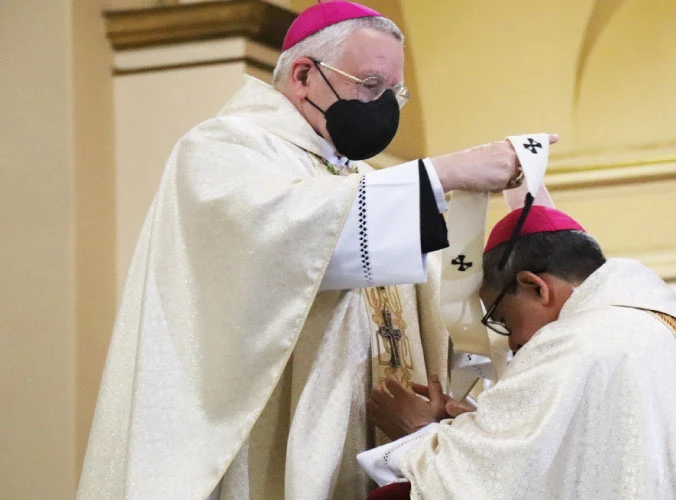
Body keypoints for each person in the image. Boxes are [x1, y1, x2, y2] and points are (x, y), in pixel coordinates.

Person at [76, 2, 548, 499]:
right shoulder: (225, 149)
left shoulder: (365, 180)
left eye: (395, 93)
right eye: (370, 85)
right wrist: (445, 173)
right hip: (282, 450)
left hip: (387, 444)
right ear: (304, 75)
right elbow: (287, 238)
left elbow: (431, 293)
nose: (384, 104)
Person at [360, 205, 676, 499]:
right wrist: (464, 427)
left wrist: (418, 435)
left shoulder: (578, 341)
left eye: (502, 317)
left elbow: (497, 484)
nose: (512, 341)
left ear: (535, 287)